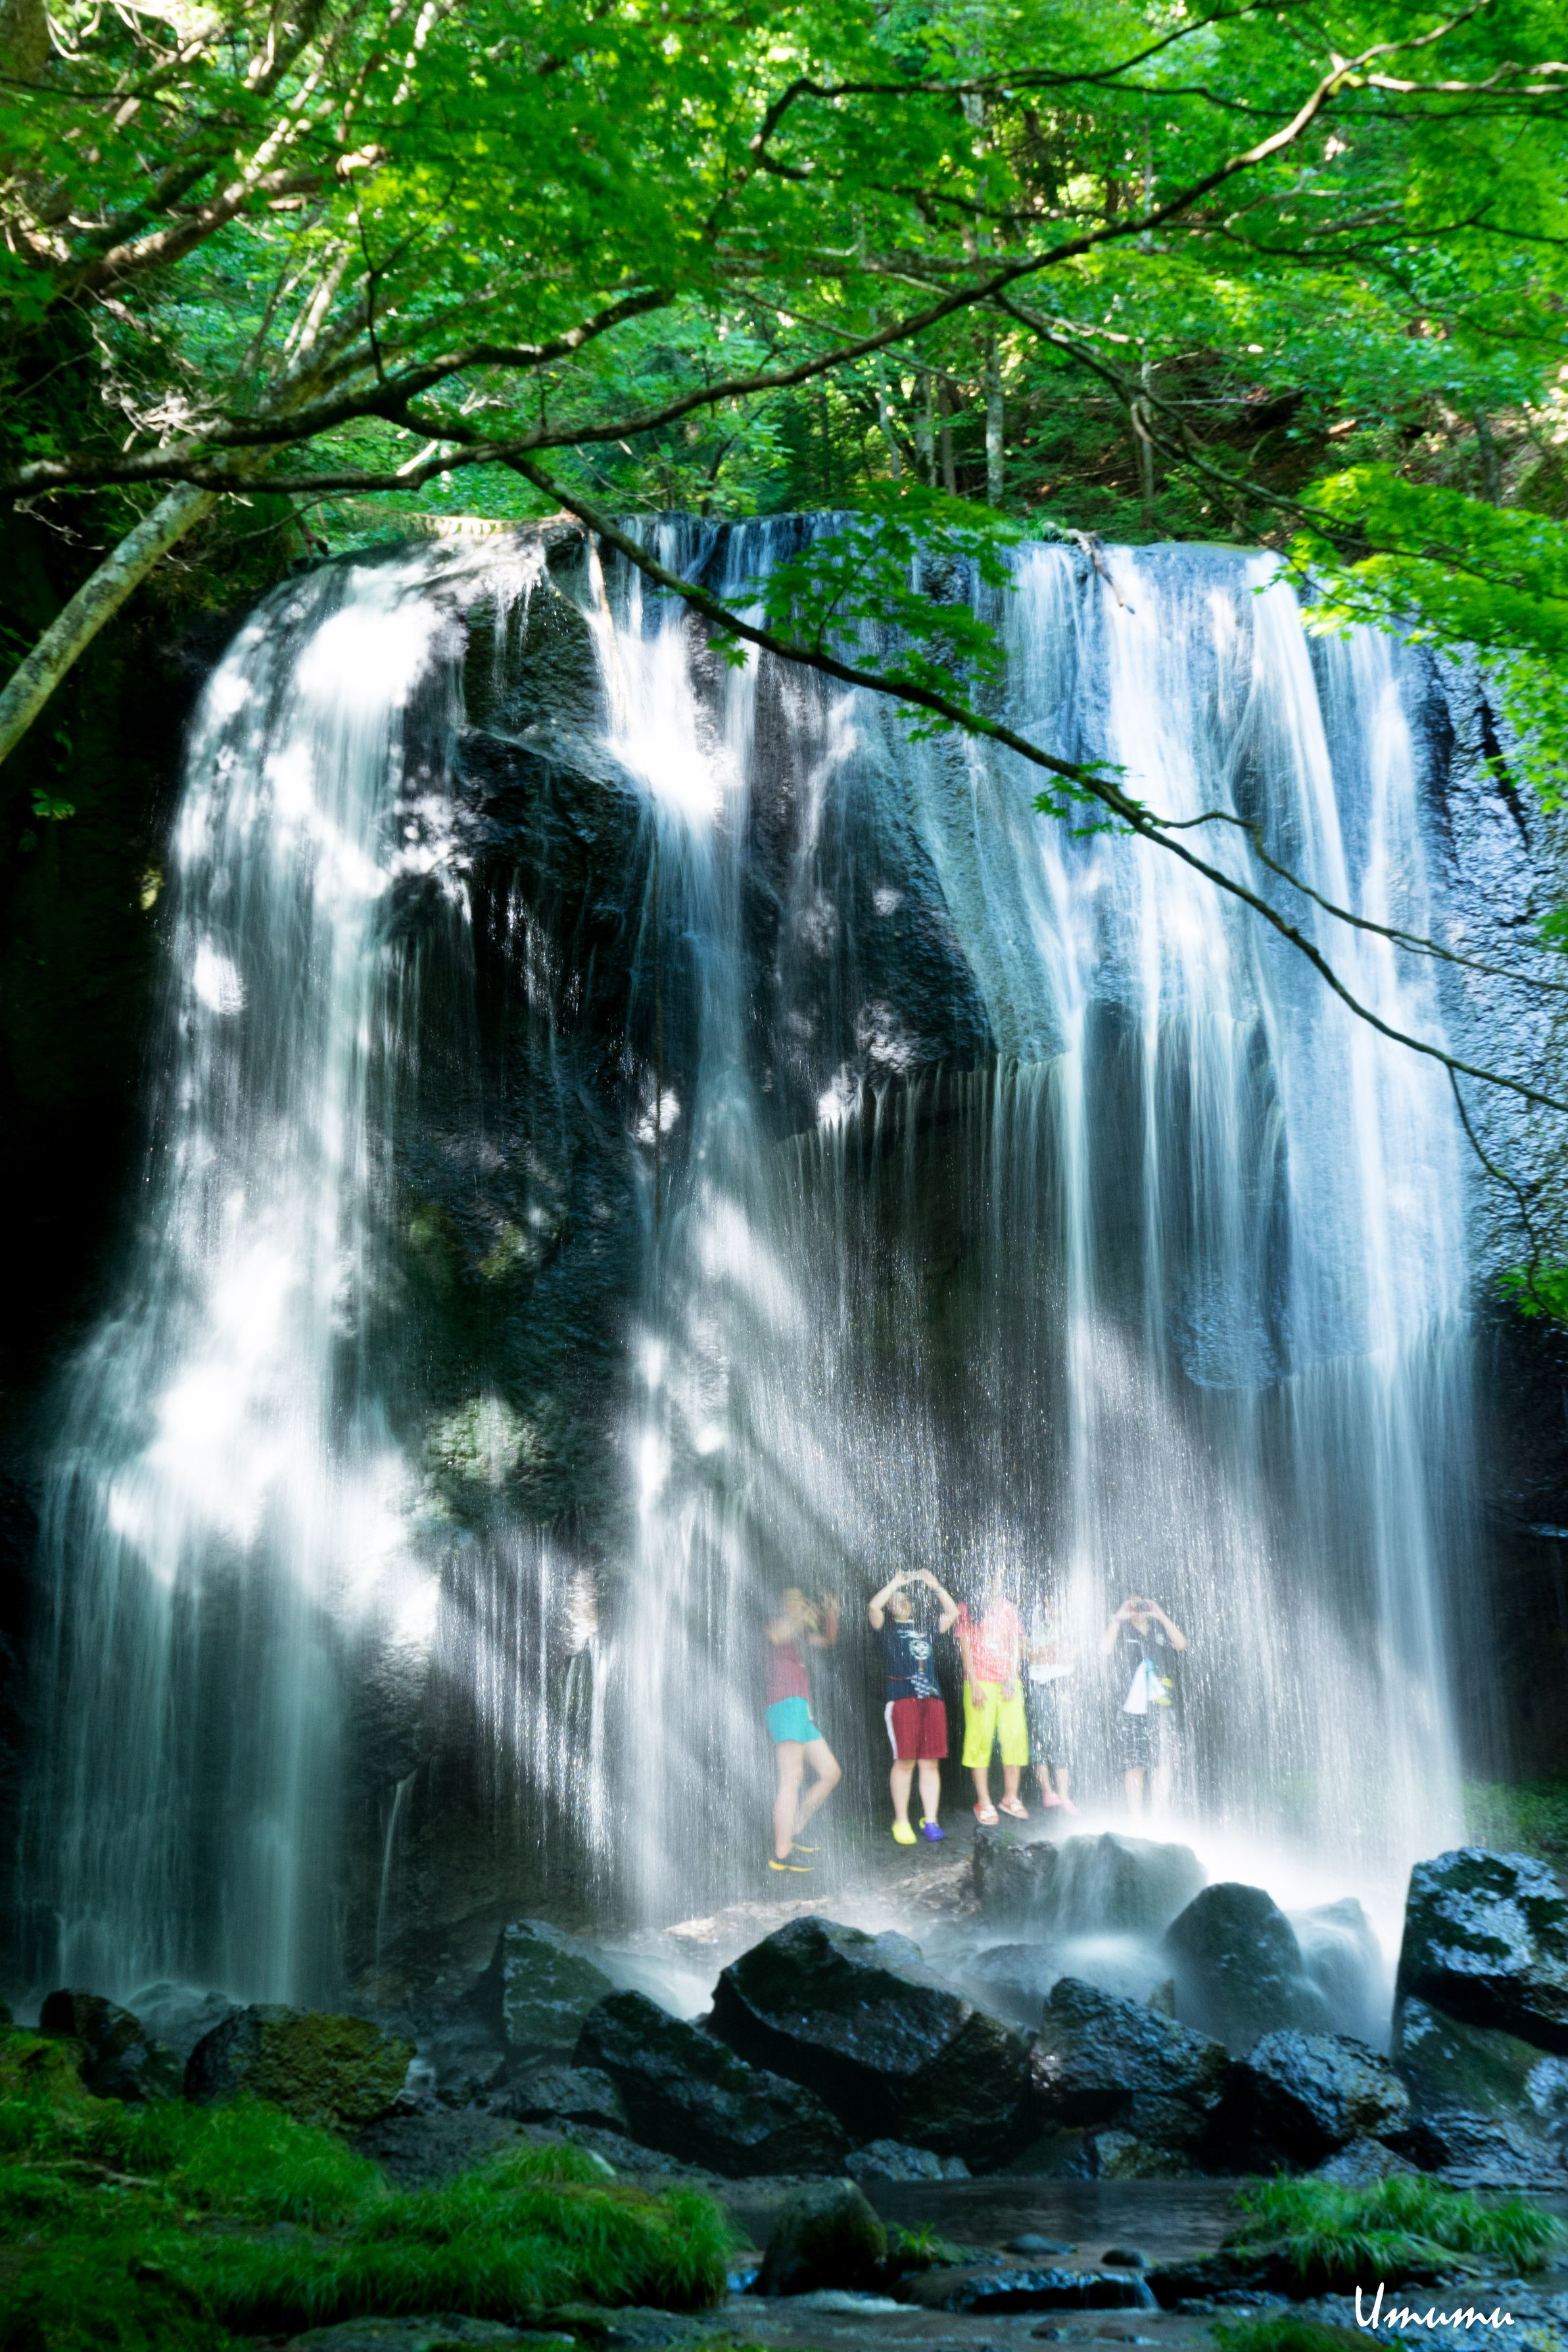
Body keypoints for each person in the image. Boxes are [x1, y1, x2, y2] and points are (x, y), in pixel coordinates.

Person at [867, 1567, 960, 1845]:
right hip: (902, 1698)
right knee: (905, 1761)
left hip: (931, 1698)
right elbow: (873, 1606)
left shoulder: (926, 1628)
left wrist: (935, 1585)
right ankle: (901, 1821)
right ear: (890, 1607)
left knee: (930, 1763)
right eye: (897, 1599)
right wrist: (894, 1583)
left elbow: (953, 1613)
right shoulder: (887, 1631)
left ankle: (930, 1821)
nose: (902, 1602)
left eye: (906, 1598)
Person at [765, 1586, 842, 1872]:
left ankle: (795, 1830)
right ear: (782, 1604)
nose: (800, 1603)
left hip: (800, 1709)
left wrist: (831, 1614)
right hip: (784, 1704)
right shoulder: (774, 1624)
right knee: (791, 1777)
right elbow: (779, 1636)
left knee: (830, 1772)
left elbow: (829, 1640)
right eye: (793, 1599)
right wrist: (802, 1616)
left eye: (802, 1598)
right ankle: (781, 1855)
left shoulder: (799, 1634)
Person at [1100, 1595, 1187, 1818]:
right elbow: (1104, 1649)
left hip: (1160, 1707)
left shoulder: (1160, 1629)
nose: (1138, 1609)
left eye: (1142, 1605)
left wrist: (1160, 1615)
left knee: (1163, 1761)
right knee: (1133, 1763)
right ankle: (1136, 1817)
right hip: (1131, 1708)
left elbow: (1181, 1644)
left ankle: (1157, 1816)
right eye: (1133, 1604)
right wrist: (1120, 1616)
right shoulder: (1122, 1631)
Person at [955, 1572, 1028, 1825]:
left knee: (1015, 1737)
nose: (995, 1584)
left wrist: (1012, 1679)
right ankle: (984, 1802)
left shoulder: (1008, 1607)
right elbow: (965, 1649)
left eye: (996, 1580)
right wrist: (975, 1686)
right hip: (980, 1682)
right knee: (980, 1739)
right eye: (990, 1579)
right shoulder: (966, 1608)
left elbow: (1016, 1645)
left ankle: (1011, 1797)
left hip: (1008, 1682)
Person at [1024, 1591, 1078, 1815]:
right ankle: (1048, 1792)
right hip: (1039, 1684)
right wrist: (1051, 1652)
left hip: (1063, 1684)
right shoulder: (1030, 1617)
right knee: (1040, 1737)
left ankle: (1064, 1796)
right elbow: (1028, 1656)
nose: (1053, 1607)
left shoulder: (1071, 1619)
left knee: (1063, 1738)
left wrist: (1044, 1654)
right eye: (1049, 1602)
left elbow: (1070, 1656)